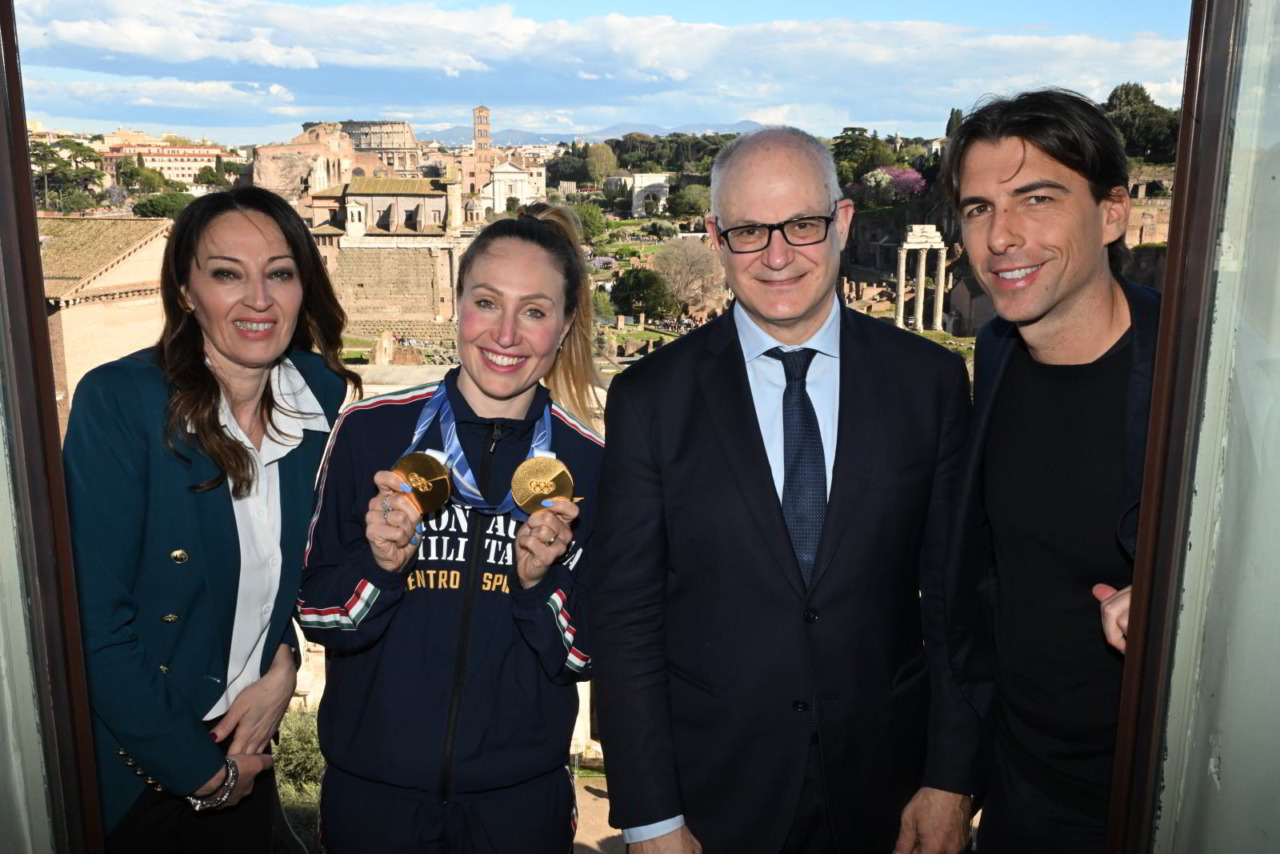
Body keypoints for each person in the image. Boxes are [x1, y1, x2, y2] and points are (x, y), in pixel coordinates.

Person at [590, 126, 977, 854]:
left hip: (887, 789)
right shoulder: (650, 399)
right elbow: (625, 618)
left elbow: (955, 601)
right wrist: (650, 817)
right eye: (748, 231)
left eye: (802, 224)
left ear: (843, 223)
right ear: (715, 237)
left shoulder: (928, 384)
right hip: (713, 796)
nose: (777, 255)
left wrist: (951, 777)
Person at [296, 203, 604, 853]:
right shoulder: (371, 432)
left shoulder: (591, 465)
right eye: (487, 302)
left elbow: (586, 655)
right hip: (374, 800)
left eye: (536, 311)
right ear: (454, 304)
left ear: (565, 325)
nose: (507, 333)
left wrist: (537, 582)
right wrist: (378, 567)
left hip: (517, 809)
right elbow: (319, 615)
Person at [64, 186, 360, 849]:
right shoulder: (121, 405)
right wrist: (204, 773)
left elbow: (276, 567)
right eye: (228, 274)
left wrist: (281, 659)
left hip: (244, 750)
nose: (259, 299)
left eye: (279, 273)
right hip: (141, 771)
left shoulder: (315, 396)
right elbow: (91, 625)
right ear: (186, 291)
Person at [940, 88, 1159, 853]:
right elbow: (981, 584)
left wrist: (1192, 604)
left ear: (1112, 213)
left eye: (1037, 198)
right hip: (1022, 786)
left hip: (1150, 797)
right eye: (976, 208)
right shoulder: (997, 354)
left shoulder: (1195, 376)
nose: (1001, 236)